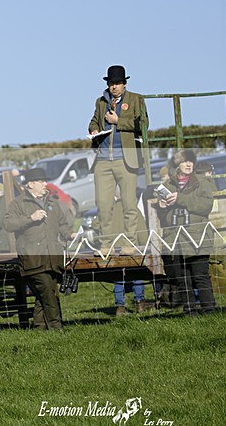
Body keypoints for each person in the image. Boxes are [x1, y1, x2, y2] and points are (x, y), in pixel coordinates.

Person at [4, 168, 75, 330]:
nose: (45, 184)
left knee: (44, 294)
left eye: (45, 181)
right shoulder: (18, 204)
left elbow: (63, 226)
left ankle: (39, 327)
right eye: (41, 181)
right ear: (30, 184)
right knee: (49, 293)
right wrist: (31, 218)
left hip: (52, 258)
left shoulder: (53, 203)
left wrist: (71, 234)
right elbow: (8, 225)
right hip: (32, 259)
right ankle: (56, 328)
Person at [88, 65, 148, 255]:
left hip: (126, 159)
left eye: (117, 83)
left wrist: (118, 122)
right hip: (103, 160)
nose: (114, 87)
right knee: (103, 205)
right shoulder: (101, 101)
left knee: (129, 204)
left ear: (124, 84)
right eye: (111, 83)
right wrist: (94, 130)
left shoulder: (136, 99)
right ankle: (106, 244)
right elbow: (93, 121)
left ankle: (129, 243)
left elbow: (143, 124)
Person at [156, 150, 216, 315]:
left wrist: (180, 199)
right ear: (177, 165)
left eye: (191, 161)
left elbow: (206, 206)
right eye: (184, 162)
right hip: (176, 239)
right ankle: (189, 310)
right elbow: (165, 219)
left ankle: (209, 310)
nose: (189, 164)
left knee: (200, 275)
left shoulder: (203, 182)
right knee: (183, 279)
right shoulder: (168, 186)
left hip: (198, 236)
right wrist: (162, 208)